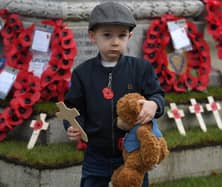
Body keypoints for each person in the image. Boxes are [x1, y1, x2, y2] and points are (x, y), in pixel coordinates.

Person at [64, 2, 165, 187]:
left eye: (121, 35)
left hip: (133, 153)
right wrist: (73, 126)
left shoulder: (141, 69)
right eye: (107, 35)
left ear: (130, 36)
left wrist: (154, 104)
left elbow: (157, 95)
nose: (115, 41)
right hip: (96, 154)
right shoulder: (82, 73)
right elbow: (73, 108)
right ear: (92, 36)